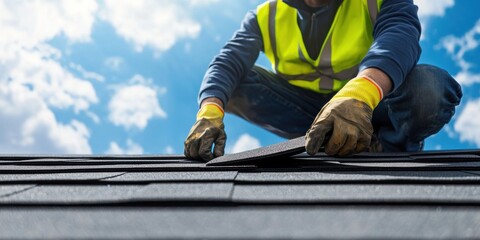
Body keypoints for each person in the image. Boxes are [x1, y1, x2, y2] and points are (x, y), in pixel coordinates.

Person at [184, 0, 463, 161]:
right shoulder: (265, 16)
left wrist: (359, 96)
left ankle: (386, 145)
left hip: (376, 108)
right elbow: (228, 61)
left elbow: (399, 35)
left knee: (430, 89)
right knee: (230, 86)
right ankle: (329, 139)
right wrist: (209, 112)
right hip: (308, 116)